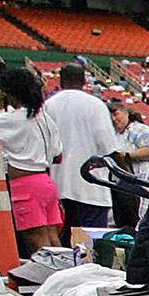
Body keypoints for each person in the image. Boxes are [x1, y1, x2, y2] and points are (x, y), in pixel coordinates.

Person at [0, 62, 62, 257]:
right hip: (46, 183)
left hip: (25, 185)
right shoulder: (43, 117)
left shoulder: (10, 119)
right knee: (54, 240)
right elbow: (58, 155)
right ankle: (65, 278)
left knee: (40, 245)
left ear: (9, 93)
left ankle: (51, 282)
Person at [44, 63, 119, 241]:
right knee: (89, 249)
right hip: (91, 188)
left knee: (63, 246)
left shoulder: (49, 104)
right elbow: (108, 146)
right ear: (84, 81)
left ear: (61, 80)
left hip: (59, 185)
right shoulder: (95, 105)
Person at [109, 103, 149, 225]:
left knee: (140, 220)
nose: (113, 119)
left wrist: (127, 155)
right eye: (110, 116)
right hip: (121, 184)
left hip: (142, 182)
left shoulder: (140, 129)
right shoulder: (115, 134)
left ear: (126, 113)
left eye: (116, 114)